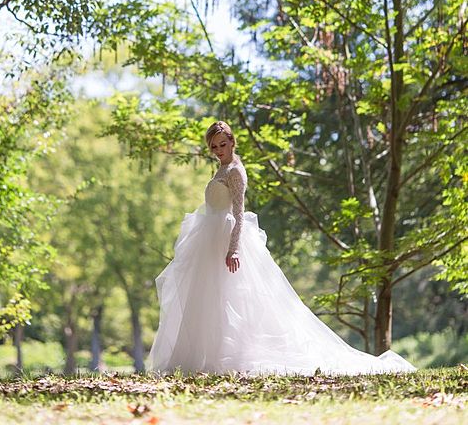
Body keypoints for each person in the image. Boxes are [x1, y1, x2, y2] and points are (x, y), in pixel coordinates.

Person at [147, 121, 416, 376]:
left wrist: (234, 249)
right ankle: (203, 357)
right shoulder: (221, 169)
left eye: (222, 144)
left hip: (226, 238)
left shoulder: (236, 171)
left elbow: (239, 213)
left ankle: (230, 356)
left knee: (231, 297)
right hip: (208, 240)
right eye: (214, 146)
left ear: (232, 142)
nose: (218, 150)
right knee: (207, 298)